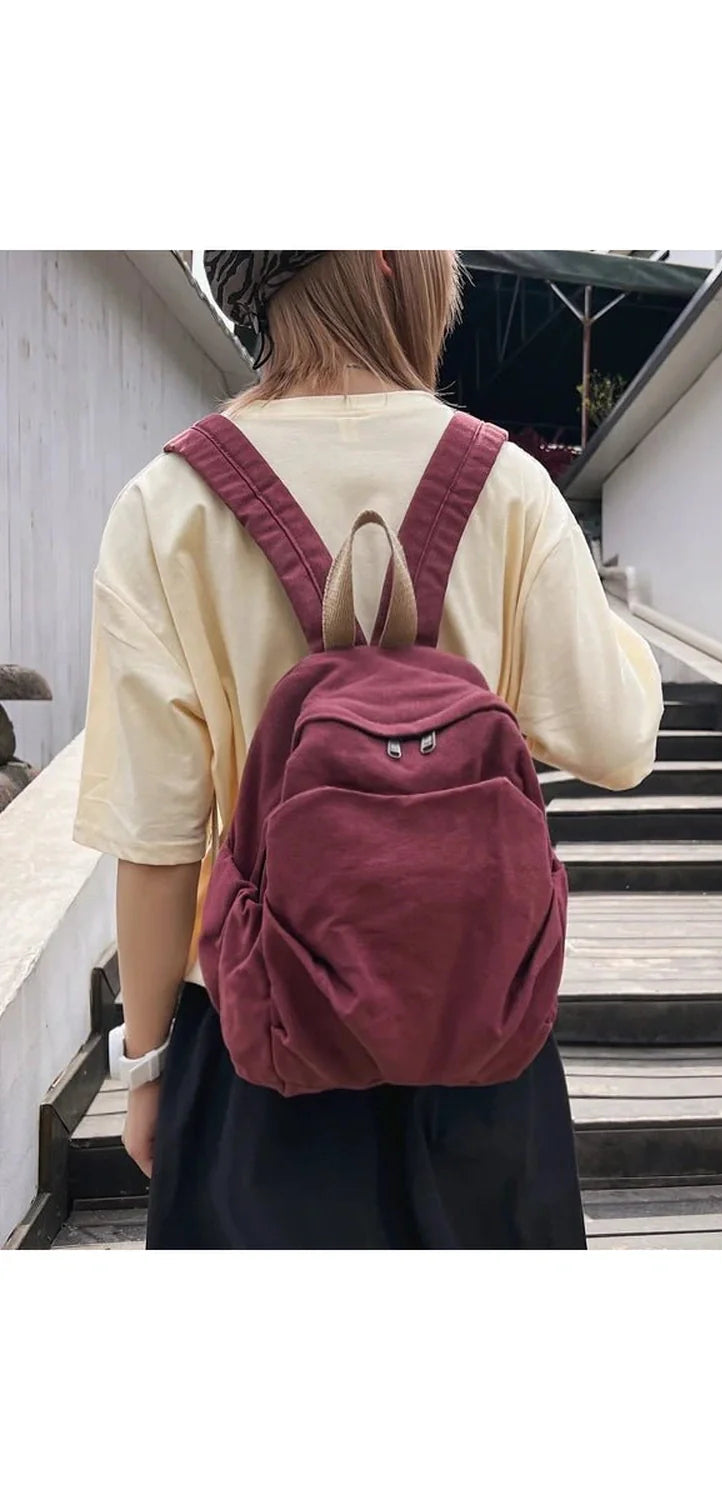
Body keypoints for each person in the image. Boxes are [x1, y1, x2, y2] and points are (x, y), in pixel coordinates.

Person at [73, 250, 663, 1250]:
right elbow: (616, 742)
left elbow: (157, 840)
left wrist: (146, 1070)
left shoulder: (163, 505)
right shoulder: (507, 486)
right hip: (480, 1040)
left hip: (263, 1046)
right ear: (389, 258)